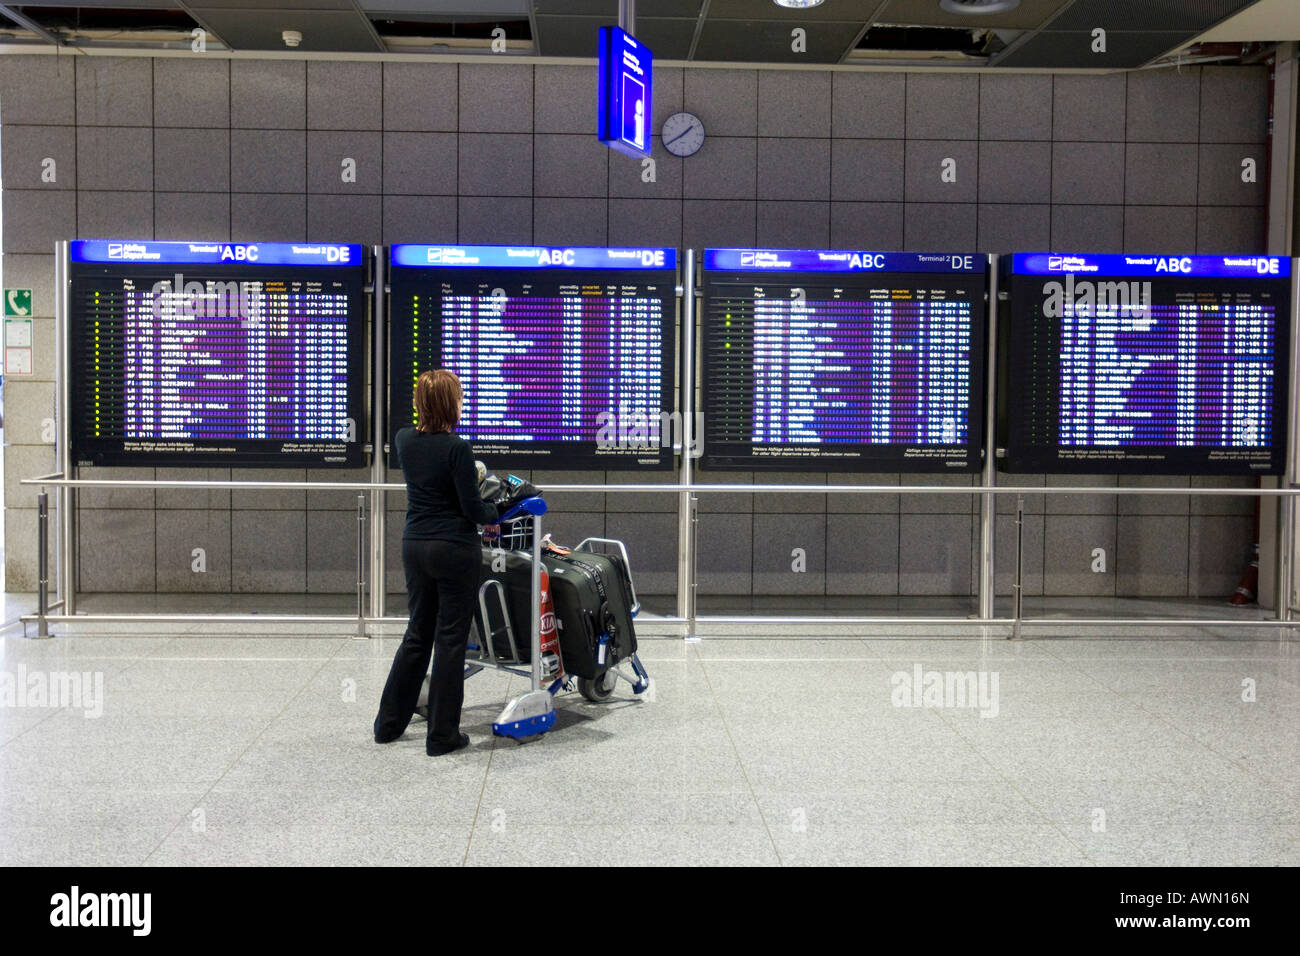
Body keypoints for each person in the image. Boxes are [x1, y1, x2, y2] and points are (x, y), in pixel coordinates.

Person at [374, 369, 500, 756]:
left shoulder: (404, 441)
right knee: (450, 641)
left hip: (415, 546)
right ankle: (443, 735)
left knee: (417, 634)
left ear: (419, 403)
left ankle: (388, 725)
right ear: (451, 403)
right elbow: (473, 510)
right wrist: (499, 508)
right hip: (453, 550)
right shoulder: (457, 449)